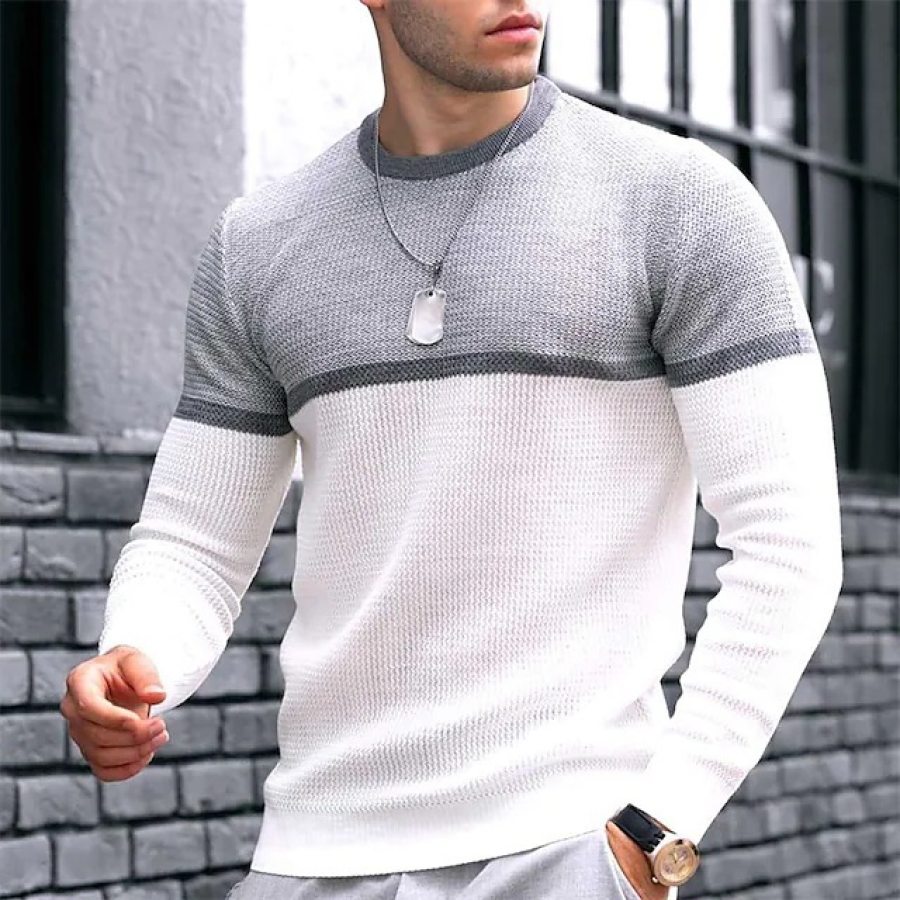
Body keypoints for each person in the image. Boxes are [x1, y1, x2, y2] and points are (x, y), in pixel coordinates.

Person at [58, 1, 844, 898]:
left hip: (569, 848)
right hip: (313, 853)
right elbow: (193, 541)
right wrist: (136, 656)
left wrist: (657, 829)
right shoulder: (260, 245)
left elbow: (790, 544)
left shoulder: (680, 204)